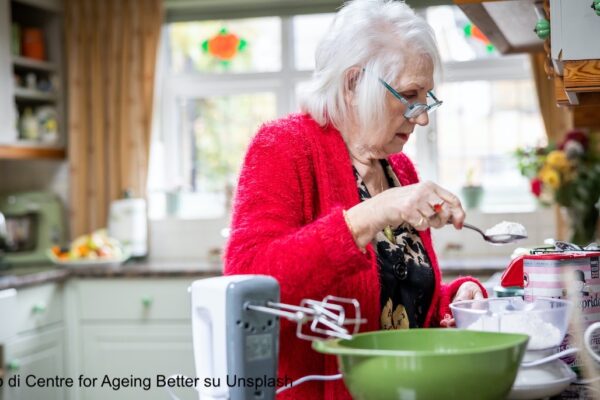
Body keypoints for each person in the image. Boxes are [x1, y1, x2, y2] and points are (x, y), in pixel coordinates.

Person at [224, 0, 487, 398]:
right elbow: (248, 285)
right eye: (409, 95)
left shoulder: (399, 168)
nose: (422, 117)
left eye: (427, 97)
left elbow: (396, 306)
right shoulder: (283, 147)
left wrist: (455, 300)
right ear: (352, 84)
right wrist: (372, 213)